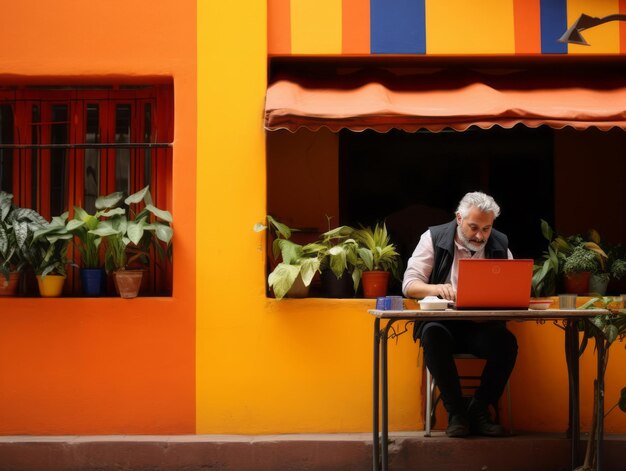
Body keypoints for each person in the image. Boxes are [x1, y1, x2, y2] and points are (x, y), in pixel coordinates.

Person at [402, 191, 517, 438]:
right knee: (432, 335)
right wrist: (436, 289)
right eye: (473, 227)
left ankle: (479, 409)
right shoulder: (433, 237)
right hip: (443, 324)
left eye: (486, 229)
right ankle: (456, 413)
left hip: (482, 326)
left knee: (507, 343)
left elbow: (512, 285)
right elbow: (409, 284)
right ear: (458, 218)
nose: (480, 236)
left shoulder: (500, 243)